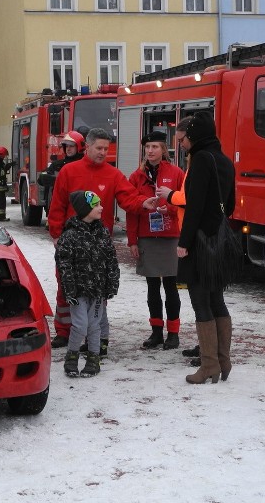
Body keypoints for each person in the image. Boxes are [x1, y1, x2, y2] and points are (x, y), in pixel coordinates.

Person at [48, 128, 158, 351]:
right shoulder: (69, 172)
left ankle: (93, 335)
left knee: (96, 290)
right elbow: (57, 206)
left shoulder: (113, 174)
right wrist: (56, 235)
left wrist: (142, 203)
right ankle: (63, 331)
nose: (102, 152)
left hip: (98, 242)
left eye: (106, 149)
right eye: (98, 148)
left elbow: (128, 197)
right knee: (66, 286)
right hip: (71, 242)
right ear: (86, 147)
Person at [157, 112, 235, 384]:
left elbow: (194, 206)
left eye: (183, 139)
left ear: (195, 136)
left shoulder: (201, 160)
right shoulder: (224, 160)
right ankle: (223, 361)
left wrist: (184, 243)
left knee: (201, 303)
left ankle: (209, 365)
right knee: (217, 301)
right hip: (219, 241)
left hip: (200, 242)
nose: (181, 145)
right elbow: (232, 205)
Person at [127, 131, 185, 350]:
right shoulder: (136, 176)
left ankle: (173, 333)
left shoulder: (177, 173)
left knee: (171, 286)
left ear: (164, 149)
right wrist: (133, 241)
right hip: (147, 238)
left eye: (155, 147)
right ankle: (156, 332)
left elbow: (184, 202)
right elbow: (131, 210)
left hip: (171, 237)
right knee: (152, 287)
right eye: (147, 147)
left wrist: (168, 208)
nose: (150, 151)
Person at [55, 190, 119, 377]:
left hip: (98, 290)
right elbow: (64, 266)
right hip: (78, 292)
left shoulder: (102, 233)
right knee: (80, 325)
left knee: (94, 325)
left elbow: (111, 259)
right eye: (96, 205)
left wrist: (112, 283)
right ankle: (72, 356)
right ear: (85, 209)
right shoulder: (70, 236)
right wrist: (70, 290)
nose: (101, 208)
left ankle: (94, 358)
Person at [37, 130, 85, 213]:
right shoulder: (57, 165)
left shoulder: (85, 165)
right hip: (58, 208)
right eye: (66, 146)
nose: (68, 149)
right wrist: (45, 178)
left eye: (71, 146)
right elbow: (41, 180)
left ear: (79, 147)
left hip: (79, 209)